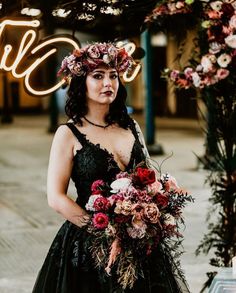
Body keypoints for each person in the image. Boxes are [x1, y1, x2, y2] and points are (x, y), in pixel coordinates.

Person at [32, 42, 189, 293]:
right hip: (89, 246)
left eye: (113, 76)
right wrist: (104, 231)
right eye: (98, 76)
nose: (109, 83)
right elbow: (56, 197)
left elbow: (150, 176)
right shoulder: (68, 133)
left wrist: (164, 191)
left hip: (139, 245)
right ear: (81, 82)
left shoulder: (131, 126)